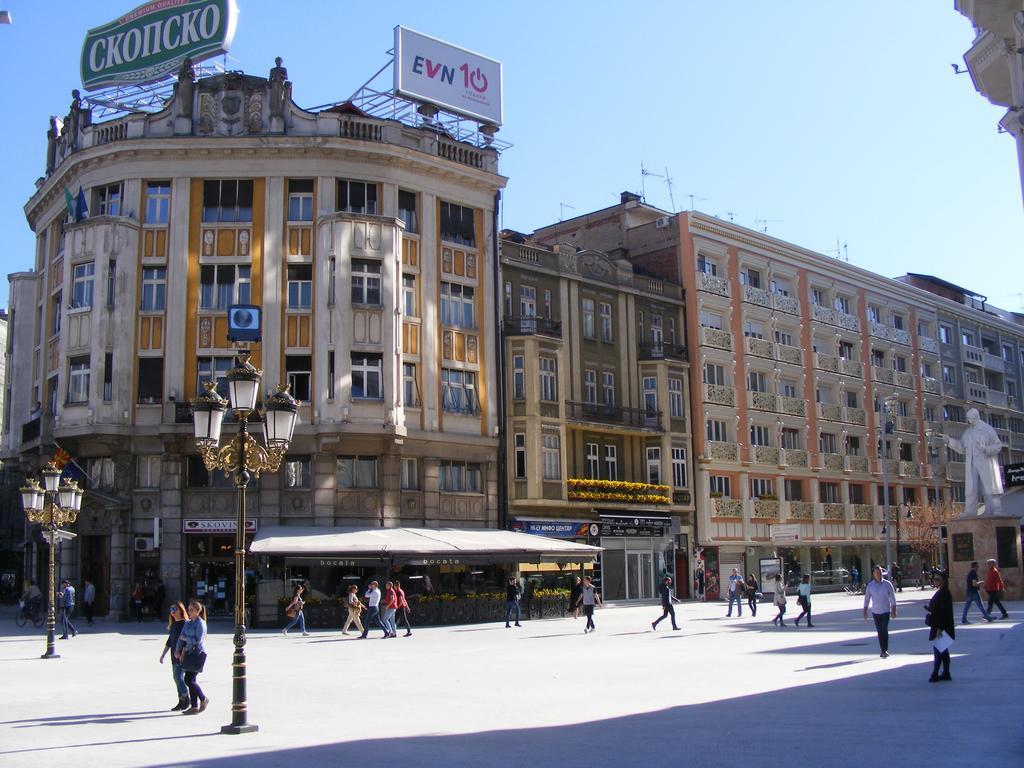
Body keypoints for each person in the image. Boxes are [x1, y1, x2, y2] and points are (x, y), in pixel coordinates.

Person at [941, 408, 1005, 516]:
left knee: (989, 487)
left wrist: (986, 449)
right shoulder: (968, 432)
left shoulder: (987, 429)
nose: (968, 420)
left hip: (985, 462)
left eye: (969, 418)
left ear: (975, 417)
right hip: (972, 463)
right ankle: (970, 511)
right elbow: (962, 448)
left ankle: (996, 509)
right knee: (971, 488)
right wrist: (949, 441)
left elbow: (998, 445)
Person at [176, 600, 209, 715]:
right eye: (188, 609)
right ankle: (194, 707)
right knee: (191, 680)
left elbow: (198, 641)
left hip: (197, 654)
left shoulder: (201, 624)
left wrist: (186, 639)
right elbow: (181, 637)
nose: (189, 612)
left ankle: (203, 699)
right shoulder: (188, 623)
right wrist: (178, 651)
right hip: (188, 653)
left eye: (191, 610)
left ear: (198, 611)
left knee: (188, 679)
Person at [925, 570, 955, 682]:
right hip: (940, 626)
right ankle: (946, 672)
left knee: (938, 651)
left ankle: (935, 674)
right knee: (943, 650)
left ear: (943, 581)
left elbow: (943, 613)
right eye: (934, 579)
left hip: (941, 627)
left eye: (937, 579)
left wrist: (939, 629)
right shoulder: (942, 592)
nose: (935, 581)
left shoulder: (944, 594)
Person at [160, 602, 190, 711]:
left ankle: (186, 697)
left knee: (177, 677)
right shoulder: (173, 624)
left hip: (181, 655)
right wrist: (163, 654)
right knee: (177, 678)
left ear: (181, 610)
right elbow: (169, 641)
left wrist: (182, 653)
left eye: (175, 609)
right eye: (171, 609)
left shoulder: (184, 624)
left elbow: (186, 641)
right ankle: (181, 701)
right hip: (173, 655)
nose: (173, 611)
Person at [863, 564, 898, 657]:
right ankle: (882, 650)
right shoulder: (870, 586)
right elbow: (867, 599)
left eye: (880, 572)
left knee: (884, 630)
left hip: (886, 611)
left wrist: (894, 610)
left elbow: (893, 598)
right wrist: (865, 611)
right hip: (876, 612)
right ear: (873, 574)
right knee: (879, 631)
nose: (878, 574)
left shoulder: (887, 584)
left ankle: (884, 650)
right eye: (876, 572)